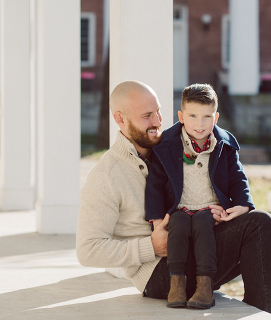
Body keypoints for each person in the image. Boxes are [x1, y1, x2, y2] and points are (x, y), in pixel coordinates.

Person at [76, 80, 271, 313]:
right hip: (161, 273)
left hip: (197, 242)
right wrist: (150, 246)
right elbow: (88, 250)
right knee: (258, 226)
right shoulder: (106, 175)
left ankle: (257, 311)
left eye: (158, 111)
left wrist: (224, 210)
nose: (158, 121)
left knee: (256, 236)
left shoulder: (171, 147)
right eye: (147, 115)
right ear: (120, 119)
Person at [144, 83, 254, 309]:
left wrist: (243, 204)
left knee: (204, 224)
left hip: (209, 209)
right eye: (193, 115)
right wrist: (156, 220)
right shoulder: (167, 145)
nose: (200, 123)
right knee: (179, 224)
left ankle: (205, 286)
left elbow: (237, 179)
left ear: (216, 118)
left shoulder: (224, 146)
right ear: (181, 116)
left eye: (207, 116)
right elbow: (154, 185)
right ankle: (177, 284)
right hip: (178, 209)